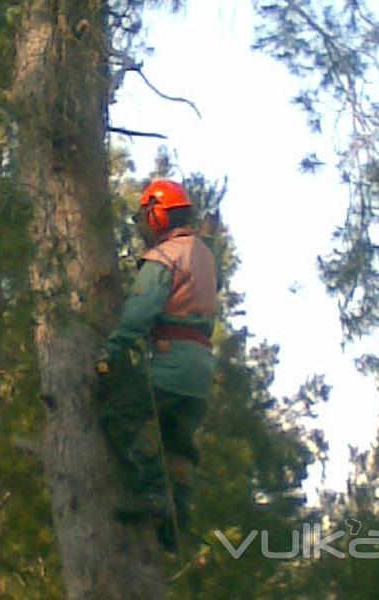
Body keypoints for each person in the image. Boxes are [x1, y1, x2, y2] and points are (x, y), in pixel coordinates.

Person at [97, 179, 218, 551]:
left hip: (171, 361)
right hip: (199, 371)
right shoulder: (204, 255)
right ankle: (177, 517)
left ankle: (152, 494)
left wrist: (111, 352)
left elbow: (141, 311)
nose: (144, 226)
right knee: (176, 442)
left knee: (118, 413)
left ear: (158, 214)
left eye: (146, 217)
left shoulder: (165, 257)